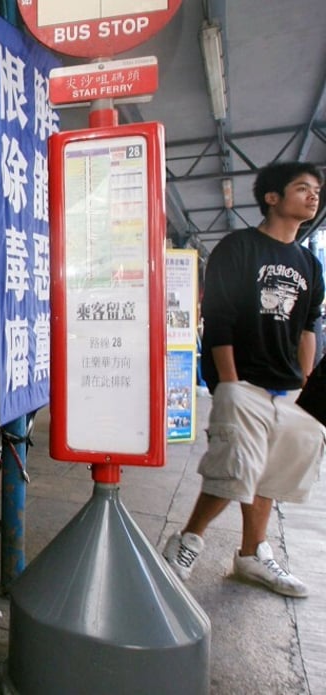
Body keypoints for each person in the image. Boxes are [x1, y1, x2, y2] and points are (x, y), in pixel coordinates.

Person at [162, 161, 326, 598]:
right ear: (272, 197)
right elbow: (219, 318)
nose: (313, 196)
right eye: (302, 188)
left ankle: (253, 554)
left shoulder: (309, 263)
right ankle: (187, 541)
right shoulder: (238, 248)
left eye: (316, 190)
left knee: (271, 473)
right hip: (243, 381)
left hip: (288, 386)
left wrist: (304, 382)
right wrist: (230, 382)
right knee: (234, 469)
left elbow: (308, 325)